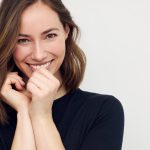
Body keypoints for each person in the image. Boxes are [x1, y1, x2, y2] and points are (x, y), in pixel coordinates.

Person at [0, 0, 124, 150]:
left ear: (66, 30)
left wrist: (41, 115)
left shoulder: (102, 111)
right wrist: (24, 111)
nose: (39, 55)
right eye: (23, 40)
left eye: (50, 36)